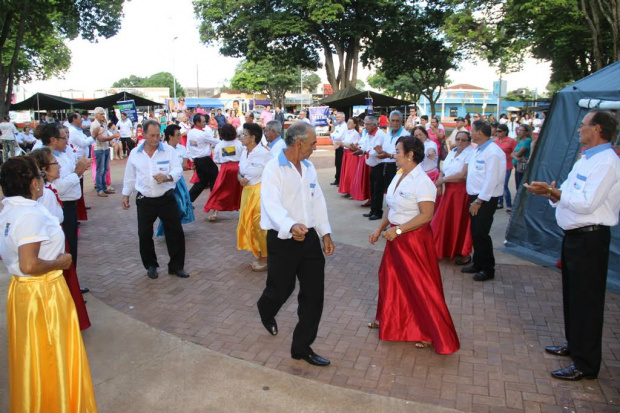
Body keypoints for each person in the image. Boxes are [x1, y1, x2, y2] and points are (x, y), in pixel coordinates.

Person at [524, 110, 620, 381]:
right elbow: (568, 191)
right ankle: (575, 345)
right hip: (575, 238)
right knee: (573, 296)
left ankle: (586, 364)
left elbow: (586, 203)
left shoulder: (606, 163)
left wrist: (553, 192)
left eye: (583, 125)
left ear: (597, 129)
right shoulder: (586, 159)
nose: (579, 129)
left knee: (586, 301)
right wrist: (553, 193)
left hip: (590, 238)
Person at [0, 156, 97, 413]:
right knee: (54, 354)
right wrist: (60, 263)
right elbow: (29, 264)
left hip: (26, 290)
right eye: (40, 177)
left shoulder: (8, 210)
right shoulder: (29, 215)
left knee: (36, 355)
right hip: (42, 291)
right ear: (33, 184)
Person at [368, 136, 459, 355]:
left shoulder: (423, 181)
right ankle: (389, 320)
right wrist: (380, 228)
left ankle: (429, 332)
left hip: (413, 239)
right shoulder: (399, 175)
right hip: (394, 236)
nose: (395, 153)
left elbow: (427, 216)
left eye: (398, 150)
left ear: (410, 155)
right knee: (390, 278)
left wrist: (397, 231)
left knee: (421, 285)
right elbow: (391, 206)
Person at [257, 121, 335, 366]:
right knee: (281, 289)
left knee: (314, 294)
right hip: (282, 238)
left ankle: (302, 347)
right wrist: (290, 226)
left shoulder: (309, 167)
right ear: (299, 143)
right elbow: (271, 204)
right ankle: (265, 308)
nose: (314, 147)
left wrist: (325, 233)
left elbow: (317, 201)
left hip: (309, 237)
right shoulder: (273, 169)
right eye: (312, 143)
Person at [29, 147, 91, 330]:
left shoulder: (47, 189)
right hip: (53, 246)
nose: (59, 167)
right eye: (54, 163)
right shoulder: (46, 194)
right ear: (44, 169)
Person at [122, 120, 189, 279]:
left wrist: (168, 177)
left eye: (158, 135)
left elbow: (178, 169)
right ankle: (151, 265)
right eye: (152, 135)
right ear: (143, 134)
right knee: (144, 234)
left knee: (175, 233)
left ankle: (176, 266)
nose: (155, 138)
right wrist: (126, 195)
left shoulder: (168, 150)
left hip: (166, 198)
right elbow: (130, 176)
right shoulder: (135, 153)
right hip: (145, 200)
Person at [461, 120, 505, 282]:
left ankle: (488, 268)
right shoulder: (478, 150)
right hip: (476, 197)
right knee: (475, 232)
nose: (470, 133)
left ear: (479, 132)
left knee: (481, 233)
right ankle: (478, 263)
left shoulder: (493, 152)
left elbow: (491, 180)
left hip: (485, 199)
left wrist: (479, 201)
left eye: (472, 130)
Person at [41, 124, 89, 272]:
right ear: (53, 140)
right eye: (64, 137)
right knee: (66, 247)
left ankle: (72, 281)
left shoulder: (63, 152)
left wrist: (78, 169)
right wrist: (77, 173)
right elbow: (59, 187)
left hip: (70, 204)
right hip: (63, 205)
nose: (67, 141)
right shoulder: (48, 158)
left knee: (72, 246)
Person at [431, 131, 475, 263]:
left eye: (464, 140)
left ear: (468, 141)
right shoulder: (453, 151)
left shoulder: (470, 154)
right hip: (448, 192)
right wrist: (440, 182)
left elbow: (463, 175)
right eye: (458, 139)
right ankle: (440, 248)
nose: (460, 142)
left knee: (457, 222)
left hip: (460, 192)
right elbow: (442, 170)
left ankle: (461, 252)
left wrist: (443, 180)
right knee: (442, 220)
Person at [237, 122, 272, 271]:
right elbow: (240, 171)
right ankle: (258, 254)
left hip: (260, 193)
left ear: (253, 137)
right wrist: (240, 179)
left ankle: (266, 257)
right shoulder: (244, 152)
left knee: (259, 225)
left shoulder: (265, 154)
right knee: (249, 224)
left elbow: (273, 174)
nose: (241, 137)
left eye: (244, 135)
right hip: (246, 192)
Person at [155, 124, 195, 237]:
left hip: (178, 180)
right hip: (166, 180)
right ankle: (169, 227)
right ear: (170, 136)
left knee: (182, 204)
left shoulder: (181, 148)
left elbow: (184, 165)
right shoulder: (161, 149)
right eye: (177, 135)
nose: (179, 137)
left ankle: (176, 225)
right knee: (169, 206)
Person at [204, 123, 243, 221]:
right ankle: (242, 210)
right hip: (238, 169)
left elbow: (216, 159)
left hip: (225, 170)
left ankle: (215, 212)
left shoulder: (219, 145)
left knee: (218, 190)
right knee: (240, 191)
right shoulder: (239, 144)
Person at [187, 114, 221, 202]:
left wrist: (192, 159)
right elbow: (216, 142)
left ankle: (188, 200)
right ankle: (213, 199)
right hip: (204, 160)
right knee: (212, 176)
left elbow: (189, 147)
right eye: (203, 121)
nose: (205, 123)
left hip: (197, 159)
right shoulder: (202, 134)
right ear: (197, 122)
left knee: (203, 181)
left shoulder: (191, 132)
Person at [362, 116, 389, 220]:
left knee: (378, 189)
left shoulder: (380, 135)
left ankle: (378, 212)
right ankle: (373, 210)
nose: (366, 126)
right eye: (365, 124)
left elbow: (374, 150)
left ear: (374, 125)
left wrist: (365, 151)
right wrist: (362, 150)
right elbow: (365, 146)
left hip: (380, 164)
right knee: (372, 188)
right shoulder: (369, 134)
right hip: (372, 164)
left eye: (368, 124)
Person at [90, 107, 115, 197]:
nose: (103, 115)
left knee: (104, 170)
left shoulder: (103, 124)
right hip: (99, 149)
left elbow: (106, 135)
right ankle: (100, 189)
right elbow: (101, 139)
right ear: (96, 115)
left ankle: (103, 188)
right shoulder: (94, 125)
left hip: (105, 148)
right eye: (101, 114)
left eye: (103, 114)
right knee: (100, 170)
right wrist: (113, 137)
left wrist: (111, 140)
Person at [494, 123, 517, 211]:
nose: (497, 133)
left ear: (505, 132)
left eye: (499, 131)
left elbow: (515, 152)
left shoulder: (511, 141)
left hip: (507, 166)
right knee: (497, 184)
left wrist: (511, 159)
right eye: (497, 131)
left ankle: (509, 204)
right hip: (497, 166)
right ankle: (499, 202)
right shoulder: (495, 140)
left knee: (504, 185)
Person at [337, 117, 362, 197]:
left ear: (354, 125)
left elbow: (354, 146)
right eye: (347, 122)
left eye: (350, 123)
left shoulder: (355, 134)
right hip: (346, 154)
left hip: (352, 155)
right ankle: (348, 190)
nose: (348, 124)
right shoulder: (346, 132)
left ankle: (353, 191)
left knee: (352, 173)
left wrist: (343, 144)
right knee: (346, 173)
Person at [330, 112, 347, 186]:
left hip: (341, 147)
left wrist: (332, 136)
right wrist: (332, 136)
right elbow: (333, 135)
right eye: (336, 117)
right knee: (337, 163)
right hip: (337, 146)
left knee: (340, 163)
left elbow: (338, 137)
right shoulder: (338, 126)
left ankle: (340, 180)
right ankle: (337, 179)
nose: (337, 119)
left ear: (343, 118)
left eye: (339, 117)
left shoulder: (344, 126)